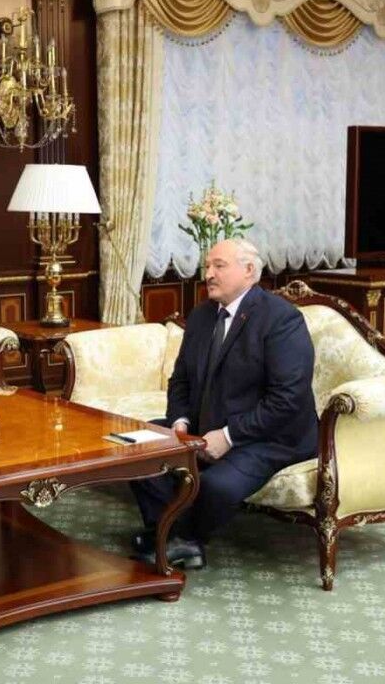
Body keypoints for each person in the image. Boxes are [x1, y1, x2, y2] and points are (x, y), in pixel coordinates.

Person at [130, 239, 318, 569]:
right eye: (207, 266)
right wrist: (180, 421)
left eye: (219, 266)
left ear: (249, 271)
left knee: (218, 485)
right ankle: (172, 537)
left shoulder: (281, 320)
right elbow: (180, 379)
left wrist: (229, 436)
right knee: (136, 447)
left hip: (271, 437)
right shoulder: (202, 315)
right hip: (204, 425)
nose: (208, 274)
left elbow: (287, 399)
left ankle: (179, 538)